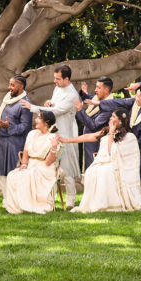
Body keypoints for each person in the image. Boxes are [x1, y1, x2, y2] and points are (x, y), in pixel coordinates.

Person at [21, 64, 80, 208]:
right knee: (50, 167)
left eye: (58, 79)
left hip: (66, 132)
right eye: (55, 78)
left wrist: (33, 107)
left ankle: (71, 202)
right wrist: (48, 103)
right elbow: (53, 106)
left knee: (67, 169)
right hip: (52, 132)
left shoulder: (72, 95)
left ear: (67, 79)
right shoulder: (57, 88)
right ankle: (49, 200)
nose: (55, 81)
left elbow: (56, 111)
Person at [65, 109, 141, 212]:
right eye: (111, 116)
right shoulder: (106, 131)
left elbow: (112, 153)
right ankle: (94, 203)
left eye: (113, 117)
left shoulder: (129, 136)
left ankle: (110, 204)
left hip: (119, 166)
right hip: (103, 162)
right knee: (90, 172)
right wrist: (67, 140)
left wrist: (111, 133)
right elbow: (89, 136)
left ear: (120, 121)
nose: (110, 118)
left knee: (105, 171)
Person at [2, 111, 63, 214]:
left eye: (39, 118)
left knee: (28, 175)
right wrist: (24, 164)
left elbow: (48, 162)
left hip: (45, 168)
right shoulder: (31, 133)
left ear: (46, 123)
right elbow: (25, 152)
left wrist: (53, 147)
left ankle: (32, 205)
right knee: (12, 175)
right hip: (30, 164)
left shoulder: (52, 138)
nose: (36, 120)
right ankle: (17, 206)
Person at [0, 75, 33, 188]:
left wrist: (9, 127)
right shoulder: (7, 99)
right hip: (1, 141)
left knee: (13, 172)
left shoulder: (25, 103)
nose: (9, 87)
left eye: (12, 85)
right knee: (1, 172)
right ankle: (6, 200)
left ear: (21, 86)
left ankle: (15, 201)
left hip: (15, 143)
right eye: (9, 84)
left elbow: (26, 126)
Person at [75, 77, 117, 171]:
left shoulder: (108, 107)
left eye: (98, 88)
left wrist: (80, 110)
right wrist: (84, 92)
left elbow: (93, 125)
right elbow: (89, 98)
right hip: (89, 141)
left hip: (96, 143)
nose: (95, 90)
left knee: (93, 168)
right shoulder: (97, 98)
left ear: (106, 90)